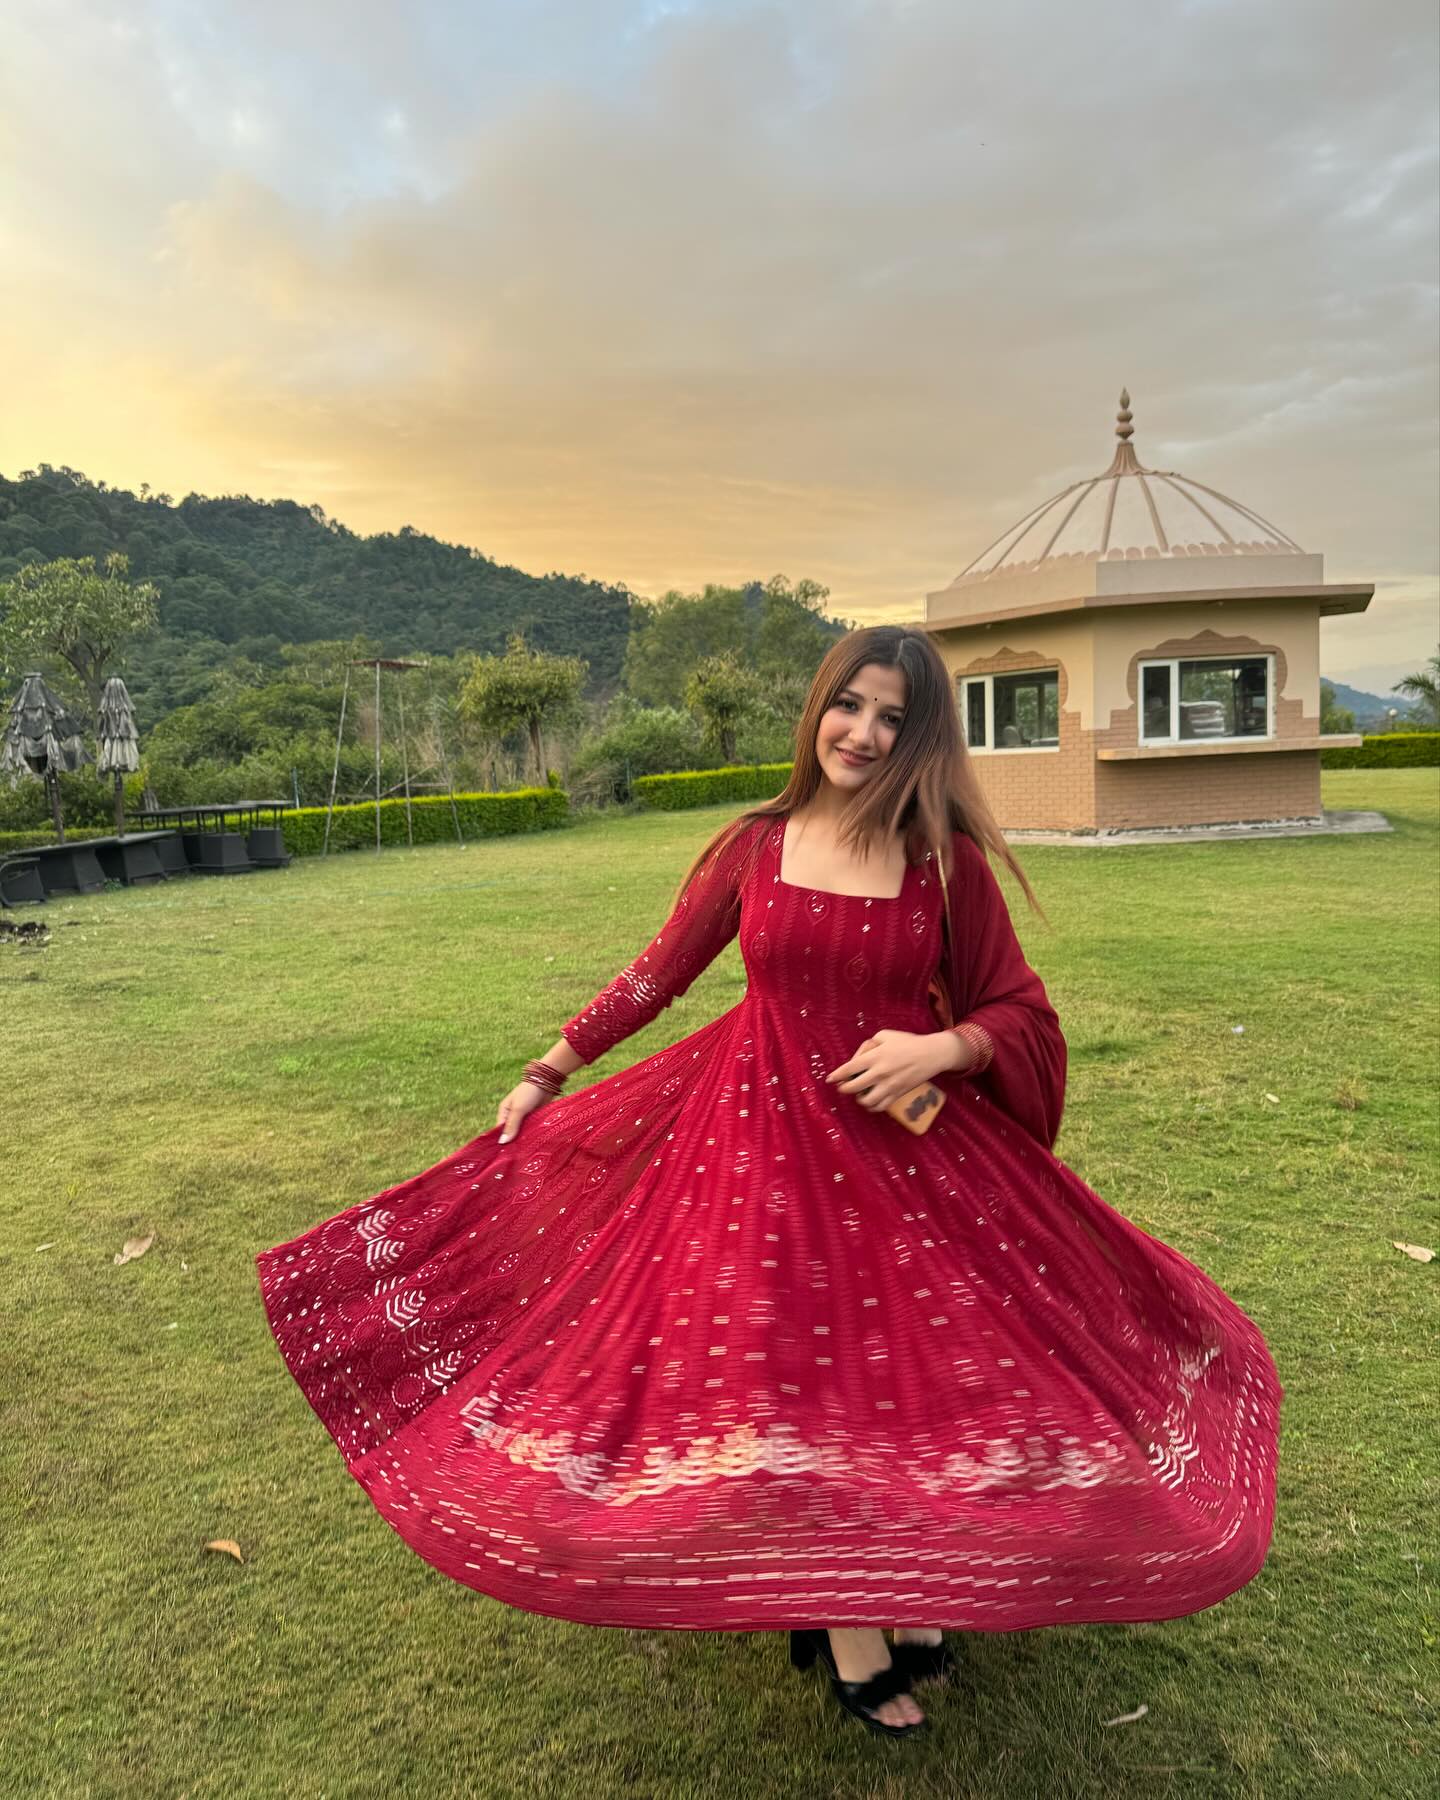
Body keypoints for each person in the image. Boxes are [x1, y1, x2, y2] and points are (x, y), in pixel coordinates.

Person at [257, 625, 1282, 1739]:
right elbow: (658, 972)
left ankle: (912, 1585)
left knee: (932, 1355)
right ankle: (847, 1632)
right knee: (802, 1375)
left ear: (922, 737)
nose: (866, 733)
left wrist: (940, 1050)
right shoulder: (755, 846)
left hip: (908, 1140)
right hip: (754, 1143)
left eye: (894, 718)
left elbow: (1016, 1010)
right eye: (851, 705)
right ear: (818, 707)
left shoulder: (941, 858)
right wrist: (549, 1068)